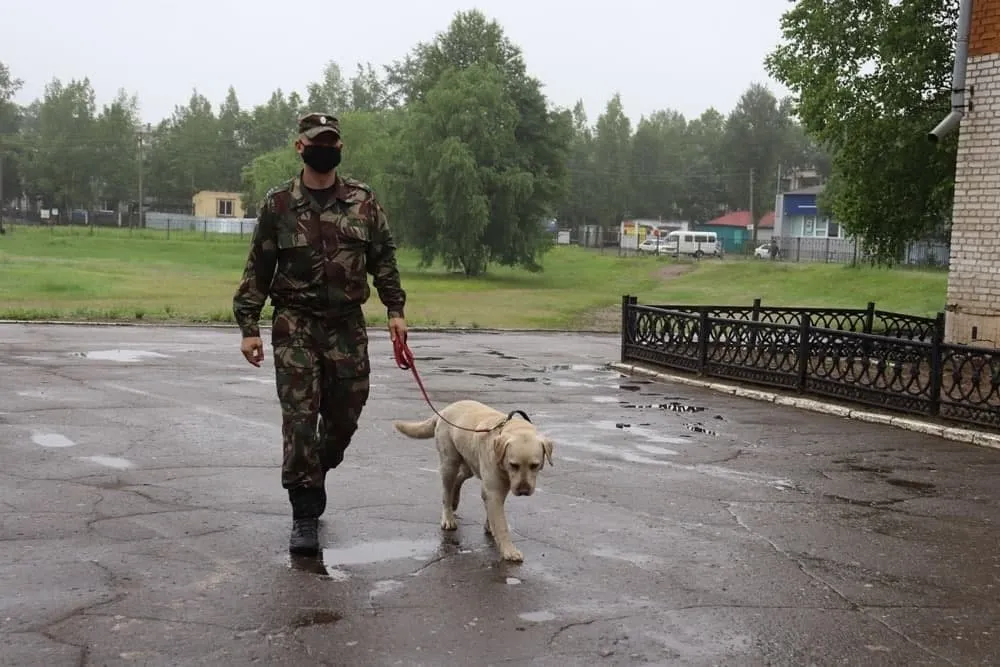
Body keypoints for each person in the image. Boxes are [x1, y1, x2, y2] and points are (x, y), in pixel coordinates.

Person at [232, 111, 408, 556]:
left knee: (347, 414)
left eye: (331, 141)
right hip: (296, 325)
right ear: (300, 146)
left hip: (348, 325)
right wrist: (249, 326)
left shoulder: (364, 202)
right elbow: (259, 268)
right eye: (316, 140)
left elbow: (383, 258)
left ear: (339, 148)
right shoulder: (278, 206)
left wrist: (395, 310)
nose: (323, 147)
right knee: (299, 420)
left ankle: (316, 469)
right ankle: (304, 512)